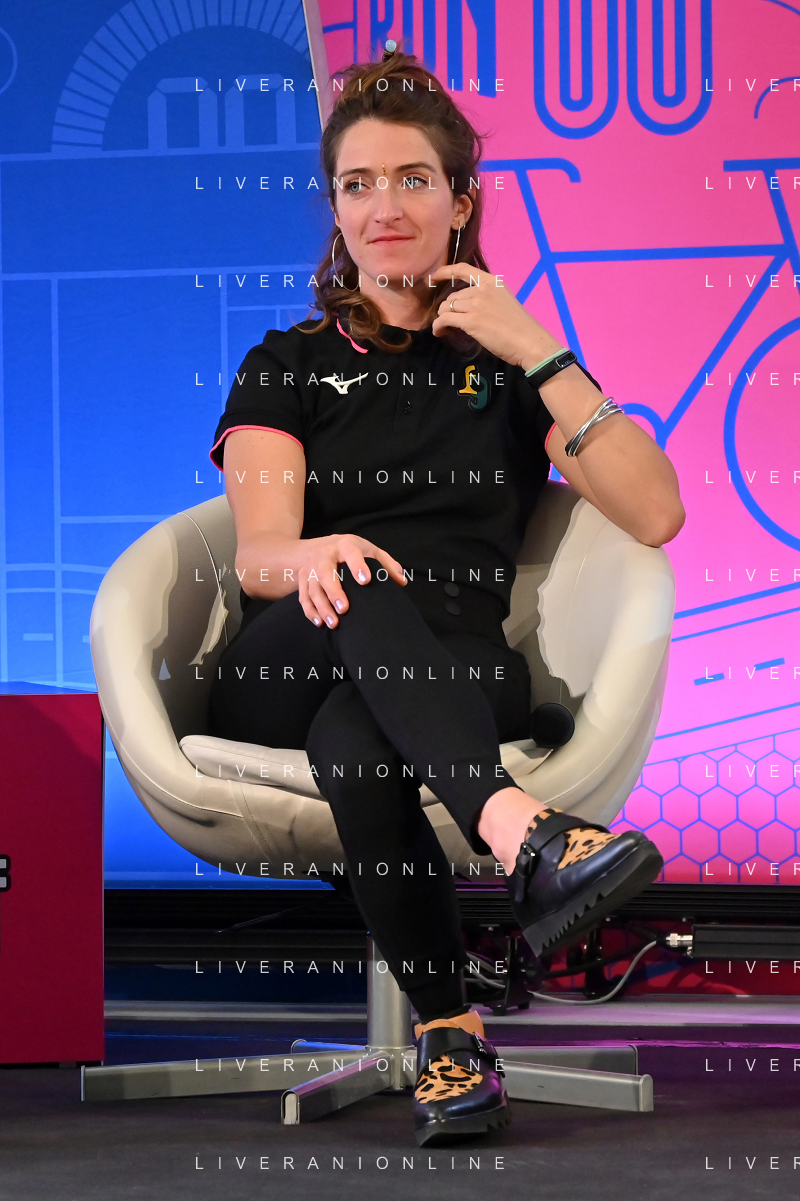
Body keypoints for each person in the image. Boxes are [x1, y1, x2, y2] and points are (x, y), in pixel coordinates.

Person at [206, 48, 685, 1145]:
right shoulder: (288, 362)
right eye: (358, 184)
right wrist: (321, 553)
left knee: (359, 739)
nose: (384, 207)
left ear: (460, 201)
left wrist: (536, 347)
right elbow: (261, 554)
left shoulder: (508, 367)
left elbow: (655, 510)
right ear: (336, 209)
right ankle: (526, 836)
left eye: (412, 179)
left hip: (454, 670)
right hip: (288, 655)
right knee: (357, 581)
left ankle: (451, 1032)